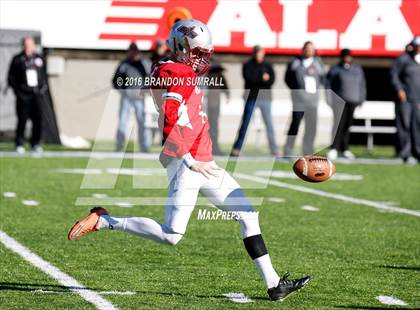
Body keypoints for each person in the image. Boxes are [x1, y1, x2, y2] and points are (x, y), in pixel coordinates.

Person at [68, 19, 311, 301]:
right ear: (181, 48)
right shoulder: (177, 72)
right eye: (197, 53)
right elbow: (171, 115)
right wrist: (188, 158)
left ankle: (274, 284)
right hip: (187, 160)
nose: (202, 59)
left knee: (248, 215)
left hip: (201, 159)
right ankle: (105, 220)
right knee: (172, 234)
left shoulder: (171, 69)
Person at [231, 46, 278, 157]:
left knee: (269, 124)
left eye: (260, 53)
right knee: (245, 124)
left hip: (265, 99)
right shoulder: (248, 65)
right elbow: (250, 79)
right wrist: (262, 77)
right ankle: (237, 148)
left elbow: (271, 80)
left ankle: (274, 149)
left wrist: (261, 79)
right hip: (251, 98)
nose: (258, 55)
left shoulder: (268, 65)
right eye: (256, 53)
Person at [284, 41, 325, 157]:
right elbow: (287, 78)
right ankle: (288, 150)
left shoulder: (318, 64)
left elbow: (323, 79)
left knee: (311, 126)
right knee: (295, 124)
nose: (309, 51)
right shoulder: (295, 63)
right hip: (299, 100)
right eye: (307, 48)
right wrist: (296, 91)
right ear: (303, 49)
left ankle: (308, 150)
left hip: (313, 101)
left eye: (311, 49)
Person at [7, 37, 48, 154]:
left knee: (38, 120)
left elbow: (44, 76)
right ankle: (19, 143)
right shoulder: (18, 59)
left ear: (34, 46)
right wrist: (18, 92)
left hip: (37, 95)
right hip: (23, 95)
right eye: (26, 45)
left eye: (30, 45)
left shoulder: (39, 59)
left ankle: (35, 143)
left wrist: (42, 89)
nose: (28, 47)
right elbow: (11, 78)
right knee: (22, 120)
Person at [326, 49, 366, 160]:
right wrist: (329, 99)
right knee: (339, 125)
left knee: (347, 125)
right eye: (345, 56)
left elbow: (362, 85)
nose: (347, 58)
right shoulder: (335, 69)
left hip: (352, 101)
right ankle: (334, 148)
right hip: (339, 102)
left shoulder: (357, 69)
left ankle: (345, 148)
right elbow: (328, 85)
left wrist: (361, 99)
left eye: (349, 56)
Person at [112, 42, 151, 152]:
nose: (133, 53)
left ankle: (145, 146)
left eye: (135, 51)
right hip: (127, 98)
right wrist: (122, 91)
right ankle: (119, 145)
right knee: (122, 122)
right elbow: (116, 80)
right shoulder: (124, 64)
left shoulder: (145, 64)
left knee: (143, 123)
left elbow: (152, 77)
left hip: (140, 98)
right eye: (131, 51)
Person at [390, 37, 420, 164]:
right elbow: (394, 75)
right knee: (405, 125)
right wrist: (399, 89)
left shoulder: (418, 60)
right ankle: (405, 153)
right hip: (405, 99)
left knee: (417, 126)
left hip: (417, 99)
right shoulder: (403, 59)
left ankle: (417, 152)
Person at [206, 60, 229, 155]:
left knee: (212, 127)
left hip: (211, 105)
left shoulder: (210, 77)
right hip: (211, 106)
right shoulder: (213, 77)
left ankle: (212, 147)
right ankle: (213, 148)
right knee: (212, 127)